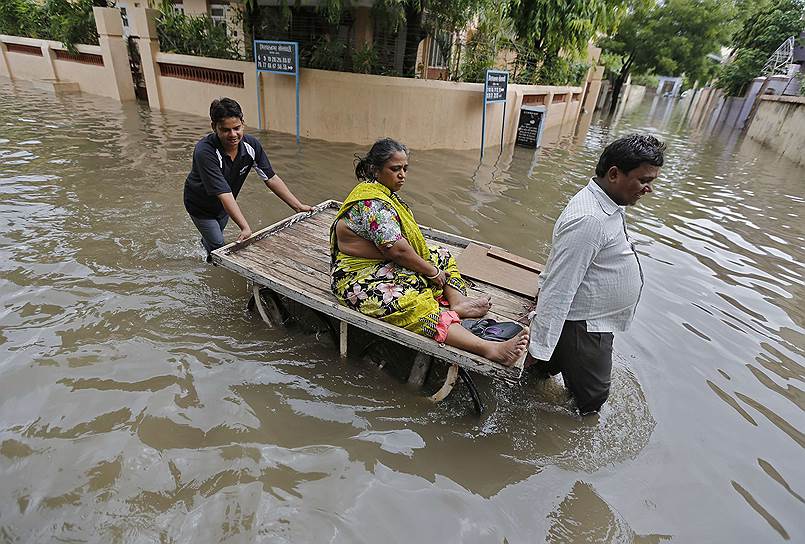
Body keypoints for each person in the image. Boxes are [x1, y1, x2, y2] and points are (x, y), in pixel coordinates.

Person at [329, 138, 529, 366]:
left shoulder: (383, 194)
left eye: (405, 169)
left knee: (441, 254)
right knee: (412, 304)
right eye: (395, 169)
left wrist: (431, 265)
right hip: (356, 278)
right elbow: (397, 250)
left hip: (381, 262)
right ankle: (489, 348)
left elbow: (400, 248)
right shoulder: (372, 203)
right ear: (375, 170)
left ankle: (458, 302)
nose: (402, 174)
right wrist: (432, 272)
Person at [527, 134, 666, 415]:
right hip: (584, 326)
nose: (648, 189)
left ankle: (535, 376)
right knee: (592, 401)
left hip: (590, 321)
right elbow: (560, 287)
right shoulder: (590, 220)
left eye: (651, 182)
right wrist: (538, 346)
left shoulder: (607, 204)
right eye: (643, 180)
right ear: (614, 174)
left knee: (544, 371)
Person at [183, 97, 311, 261]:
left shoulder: (251, 145)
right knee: (218, 244)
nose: (233, 135)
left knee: (213, 238)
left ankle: (203, 248)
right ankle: (209, 266)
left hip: (224, 206)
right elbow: (224, 193)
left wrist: (298, 206)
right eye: (225, 130)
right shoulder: (205, 152)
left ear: (243, 123)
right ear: (214, 128)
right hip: (200, 206)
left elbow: (270, 178)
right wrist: (245, 227)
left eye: (237, 128)